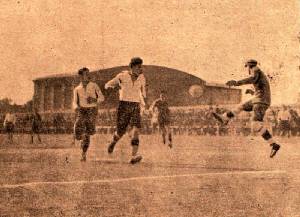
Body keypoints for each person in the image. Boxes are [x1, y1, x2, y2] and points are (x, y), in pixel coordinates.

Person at [212, 59, 281, 158]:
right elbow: (261, 87)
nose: (247, 69)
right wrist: (252, 92)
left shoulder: (255, 69)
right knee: (241, 107)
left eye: (247, 67)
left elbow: (252, 79)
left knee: (255, 125)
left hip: (261, 101)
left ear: (249, 66)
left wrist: (236, 83)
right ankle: (225, 117)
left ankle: (274, 144)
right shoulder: (259, 73)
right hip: (258, 99)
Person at [105, 57, 147, 164]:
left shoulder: (142, 78)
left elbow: (141, 93)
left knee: (136, 130)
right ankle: (113, 143)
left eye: (141, 66)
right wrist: (110, 87)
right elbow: (108, 84)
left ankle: (134, 155)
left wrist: (144, 105)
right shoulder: (122, 76)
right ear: (132, 66)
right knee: (120, 132)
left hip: (135, 106)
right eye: (138, 66)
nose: (140, 68)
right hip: (123, 105)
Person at [73, 67, 104, 162]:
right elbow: (74, 102)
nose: (88, 75)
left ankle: (83, 154)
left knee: (87, 134)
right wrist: (76, 107)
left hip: (92, 110)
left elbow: (102, 98)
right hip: (82, 110)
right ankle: (79, 137)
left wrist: (94, 100)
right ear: (81, 76)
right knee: (77, 127)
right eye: (86, 74)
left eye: (88, 73)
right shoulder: (77, 89)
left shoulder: (94, 86)